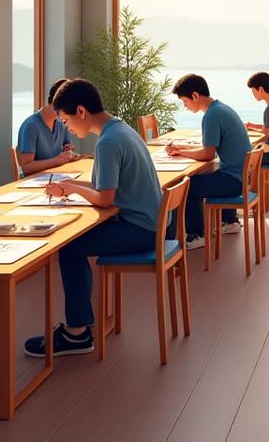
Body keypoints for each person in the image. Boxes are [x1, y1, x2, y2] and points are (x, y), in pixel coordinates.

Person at [23, 78, 163, 357]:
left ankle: (76, 333)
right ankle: (80, 327)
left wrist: (73, 187)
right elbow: (104, 189)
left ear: (81, 111)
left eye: (66, 121)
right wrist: (71, 187)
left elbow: (105, 199)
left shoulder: (108, 142)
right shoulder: (121, 129)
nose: (68, 129)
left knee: (70, 248)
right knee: (74, 245)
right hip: (152, 223)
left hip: (141, 229)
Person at [165, 74, 251, 249]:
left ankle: (197, 235)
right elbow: (208, 149)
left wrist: (181, 152)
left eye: (185, 102)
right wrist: (181, 149)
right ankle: (229, 220)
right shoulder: (221, 109)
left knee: (187, 186)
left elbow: (208, 154)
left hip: (233, 181)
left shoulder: (211, 116)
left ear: (195, 96)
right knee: (206, 176)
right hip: (241, 177)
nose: (185, 107)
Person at [15, 77, 81, 176]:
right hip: (33, 183)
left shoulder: (61, 123)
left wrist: (67, 151)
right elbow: (26, 168)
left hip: (55, 178)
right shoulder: (31, 126)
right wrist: (56, 160)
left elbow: (66, 147)